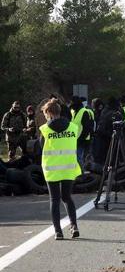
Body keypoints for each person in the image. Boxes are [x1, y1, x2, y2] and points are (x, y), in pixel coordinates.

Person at [39, 99, 81, 240]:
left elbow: (41, 147)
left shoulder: (45, 129)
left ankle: (58, 232)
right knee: (67, 197)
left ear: (49, 113)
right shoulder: (73, 127)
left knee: (54, 200)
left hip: (52, 169)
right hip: (69, 167)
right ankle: (74, 225)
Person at [69, 96, 94, 168]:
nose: (71, 106)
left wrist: (80, 139)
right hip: (75, 140)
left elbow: (87, 128)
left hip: (82, 140)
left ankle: (81, 175)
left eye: (72, 103)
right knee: (77, 159)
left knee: (78, 159)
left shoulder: (84, 112)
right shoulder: (73, 112)